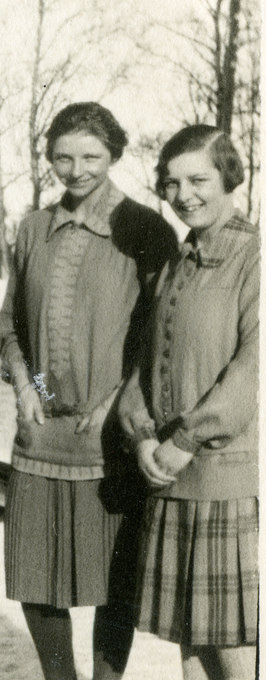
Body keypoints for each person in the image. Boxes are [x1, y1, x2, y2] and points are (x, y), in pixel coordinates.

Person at [0, 102, 178, 680]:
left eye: (91, 157)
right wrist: (30, 386)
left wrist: (111, 404)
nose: (75, 170)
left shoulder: (145, 229)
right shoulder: (32, 229)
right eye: (63, 157)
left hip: (112, 433)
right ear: (49, 156)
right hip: (43, 429)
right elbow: (14, 325)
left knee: (112, 578)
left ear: (115, 155)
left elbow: (159, 335)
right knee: (35, 571)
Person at [117, 125, 258, 680]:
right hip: (171, 481)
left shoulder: (254, 256)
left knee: (233, 651)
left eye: (198, 179)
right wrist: (144, 434)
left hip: (227, 482)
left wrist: (184, 440)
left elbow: (253, 369)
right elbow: (144, 367)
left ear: (229, 177)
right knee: (192, 646)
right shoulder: (177, 263)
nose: (184, 195)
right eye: (171, 183)